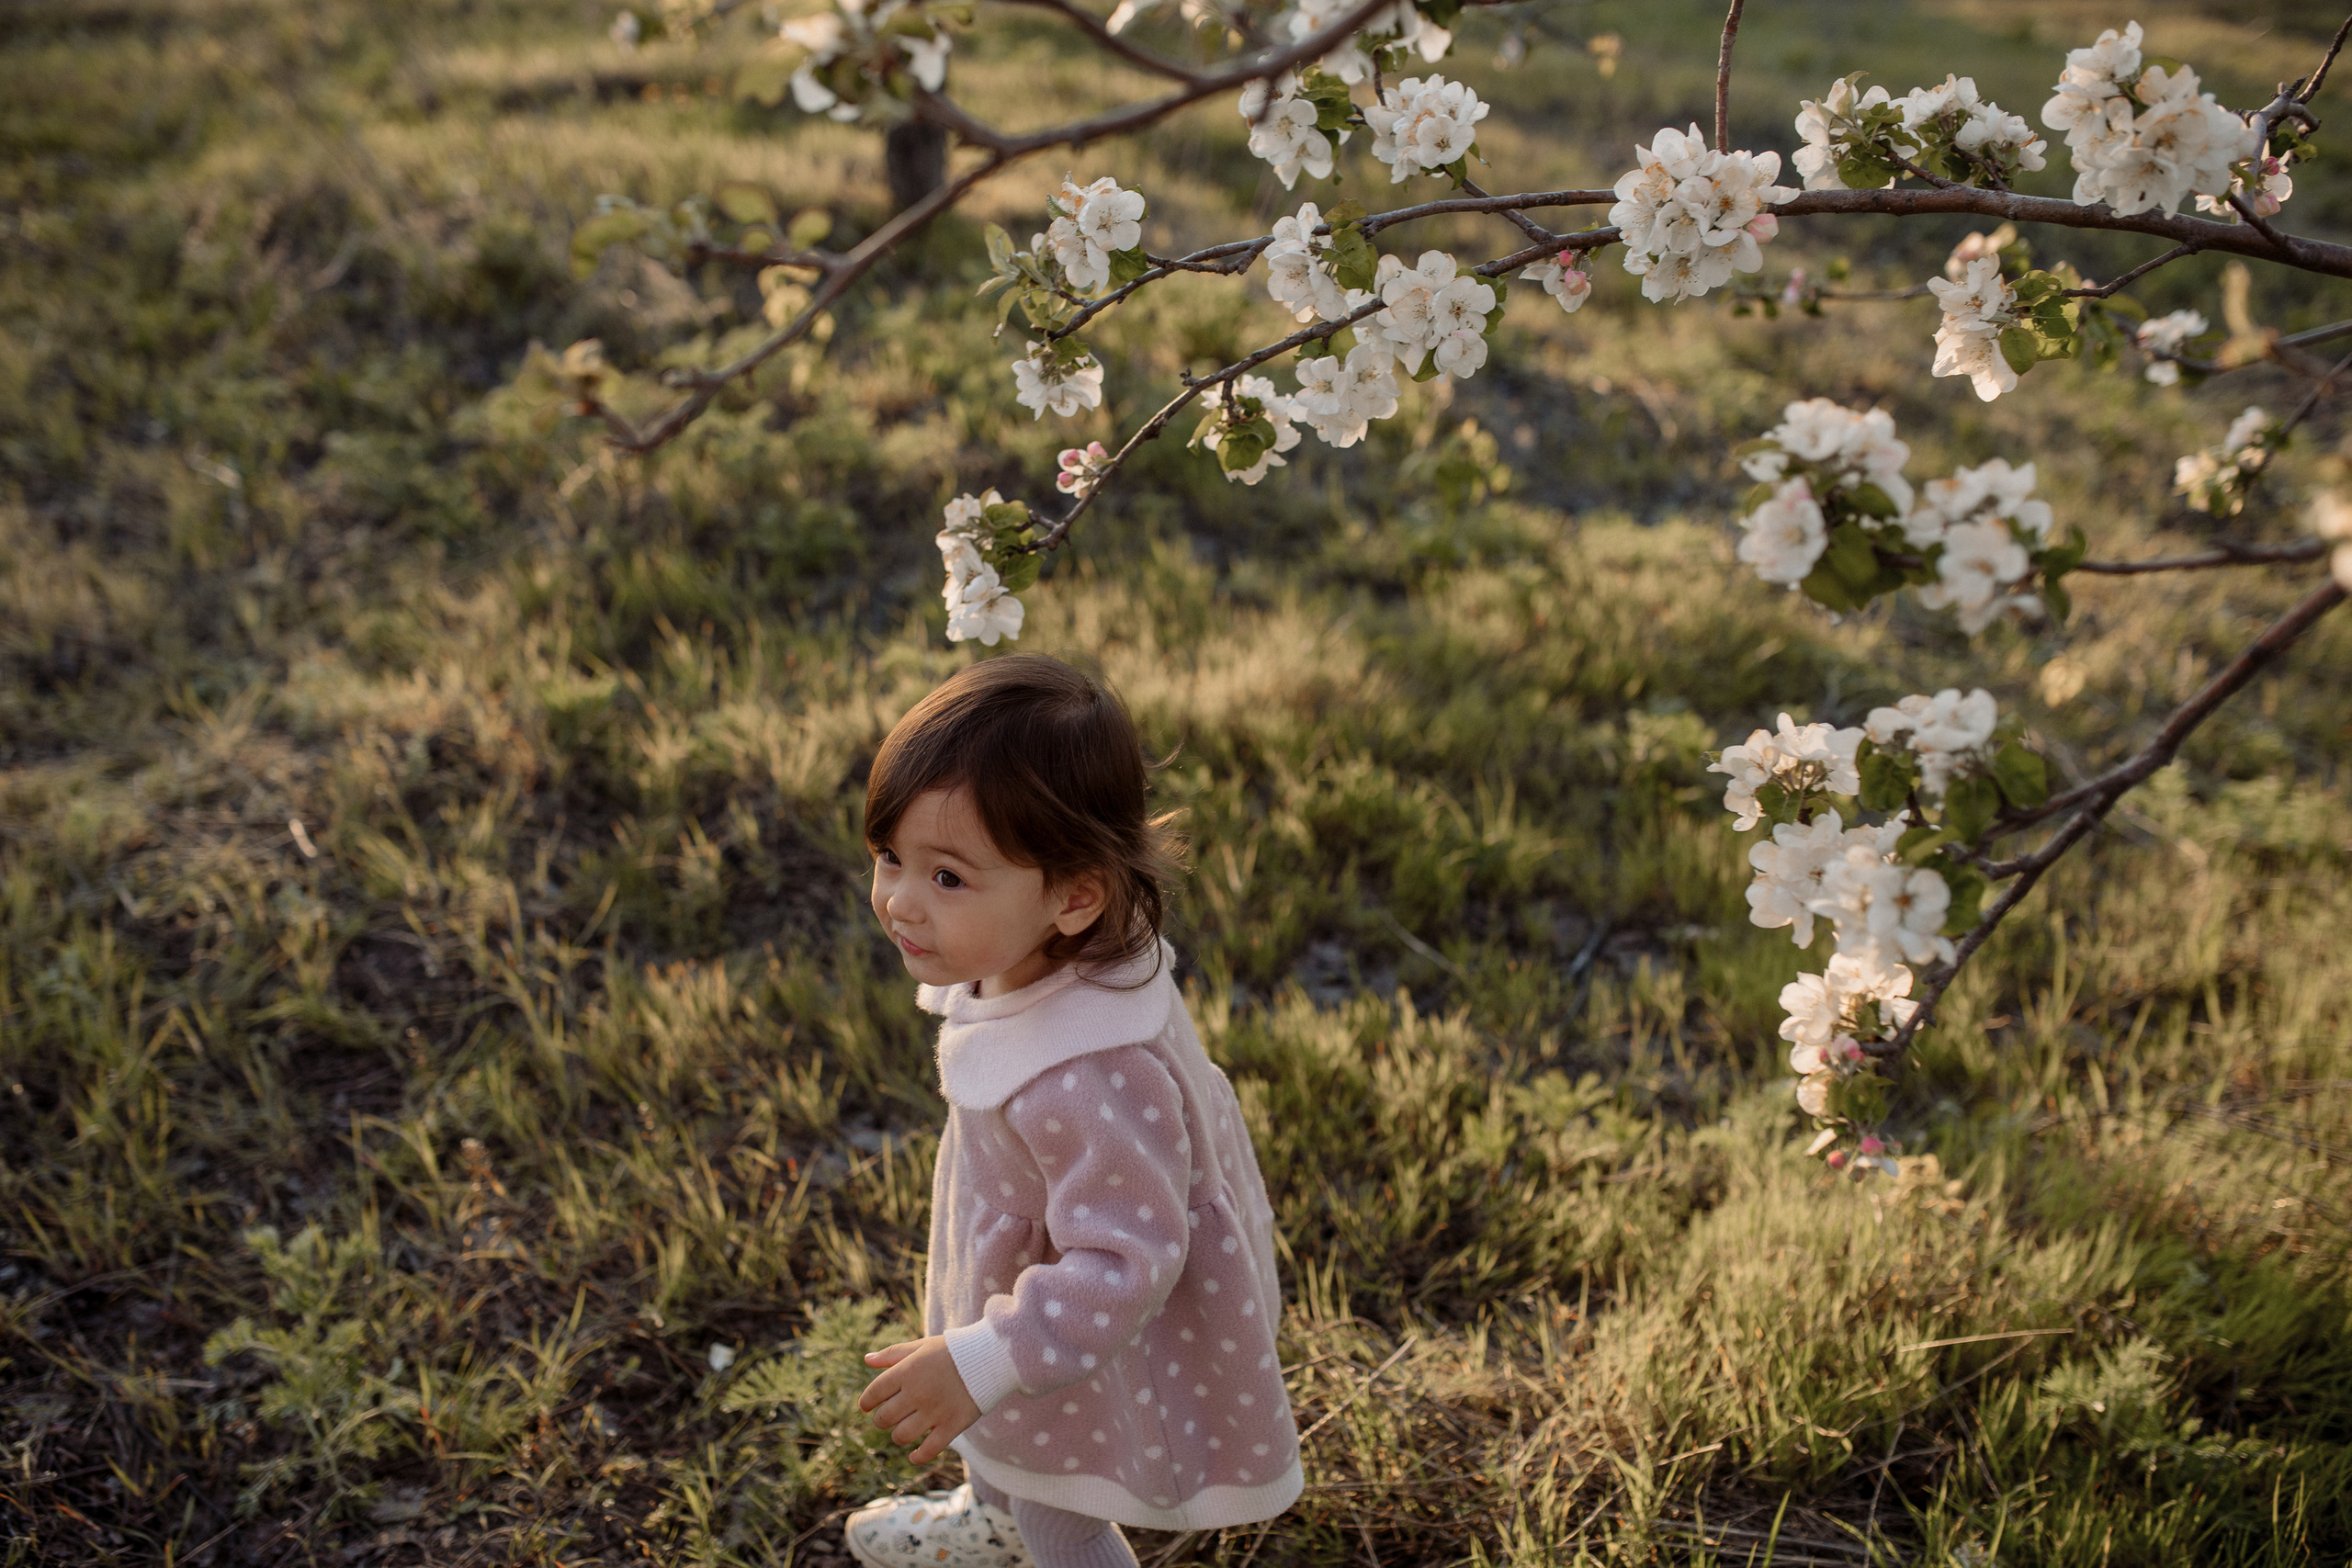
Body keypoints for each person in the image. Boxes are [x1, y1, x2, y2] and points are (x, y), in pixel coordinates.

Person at [843, 655, 1300, 1568]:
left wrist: (982, 1361)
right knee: (1011, 1452)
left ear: (1074, 894)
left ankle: (1028, 1525)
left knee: (1064, 1511)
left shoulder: (1085, 1075)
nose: (898, 900)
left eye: (948, 879)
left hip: (1074, 1332)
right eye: (892, 857)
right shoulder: (1051, 945)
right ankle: (991, 1509)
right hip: (1028, 1273)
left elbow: (1127, 1261)